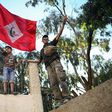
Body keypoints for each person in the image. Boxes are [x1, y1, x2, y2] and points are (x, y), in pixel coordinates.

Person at [28, 16, 71, 104]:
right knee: (53, 83)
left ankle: (66, 96)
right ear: (42, 41)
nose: (45, 39)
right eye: (44, 39)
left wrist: (63, 23)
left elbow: (59, 34)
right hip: (48, 67)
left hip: (55, 62)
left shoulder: (52, 43)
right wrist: (29, 61)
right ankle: (60, 101)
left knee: (61, 78)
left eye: (46, 38)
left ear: (48, 39)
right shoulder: (41, 51)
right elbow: (39, 61)